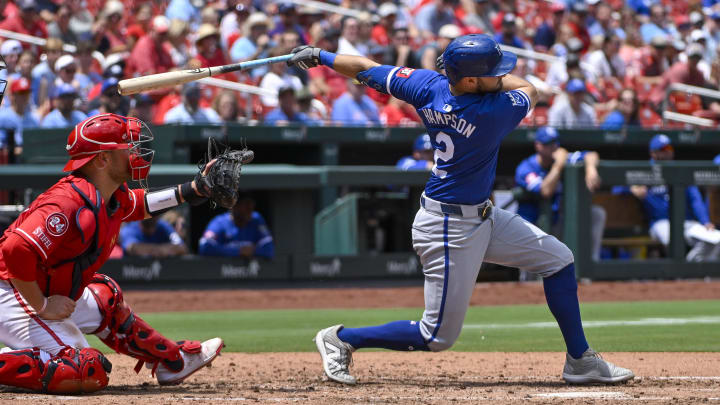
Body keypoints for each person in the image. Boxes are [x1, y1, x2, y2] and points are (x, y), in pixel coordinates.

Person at [287, 33, 633, 385]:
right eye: (492, 72)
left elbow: (365, 68)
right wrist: (484, 78)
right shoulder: (492, 112)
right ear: (469, 80)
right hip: (448, 227)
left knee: (558, 260)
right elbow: (530, 89)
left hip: (481, 215)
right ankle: (343, 339)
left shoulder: (427, 87)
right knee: (435, 336)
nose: (500, 76)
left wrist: (321, 55)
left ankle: (581, 360)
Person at [0, 113, 223, 393]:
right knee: (84, 369)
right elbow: (14, 250)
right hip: (13, 294)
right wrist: (43, 306)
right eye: (127, 147)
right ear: (102, 159)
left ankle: (173, 362)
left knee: (106, 298)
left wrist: (193, 189)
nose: (136, 152)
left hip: (44, 292)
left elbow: (140, 204)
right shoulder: (66, 203)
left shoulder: (109, 194)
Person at [615, 135, 720, 261]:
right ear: (653, 153)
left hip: (686, 222)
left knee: (716, 238)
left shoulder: (680, 170)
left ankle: (690, 266)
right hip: (660, 223)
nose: (668, 152)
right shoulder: (644, 171)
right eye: (663, 149)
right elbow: (616, 187)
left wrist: (705, 222)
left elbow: (695, 200)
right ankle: (684, 271)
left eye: (669, 148)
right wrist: (631, 188)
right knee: (673, 240)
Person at [515, 127, 605, 262]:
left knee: (596, 213)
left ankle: (590, 261)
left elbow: (591, 155)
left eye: (555, 143)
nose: (554, 147)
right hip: (532, 226)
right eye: (548, 144)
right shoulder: (526, 167)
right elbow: (546, 191)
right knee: (531, 273)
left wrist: (590, 169)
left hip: (556, 221)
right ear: (538, 146)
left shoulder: (562, 159)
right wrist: (558, 165)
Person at [198, 194, 275, 259]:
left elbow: (269, 248)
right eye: (246, 204)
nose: (250, 208)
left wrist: (253, 251)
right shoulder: (220, 222)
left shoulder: (256, 219)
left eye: (251, 204)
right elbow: (205, 247)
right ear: (233, 206)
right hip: (225, 273)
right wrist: (238, 251)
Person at [0, 77, 40, 154]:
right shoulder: (2, 117)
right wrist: (13, 150)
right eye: (21, 93)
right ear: (13, 96)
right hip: (9, 162)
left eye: (27, 93)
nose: (24, 97)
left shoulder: (33, 119)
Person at [120, 216, 188, 258]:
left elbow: (182, 247)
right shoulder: (130, 228)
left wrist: (160, 250)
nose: (152, 216)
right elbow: (132, 248)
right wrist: (159, 250)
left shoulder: (163, 226)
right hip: (133, 272)